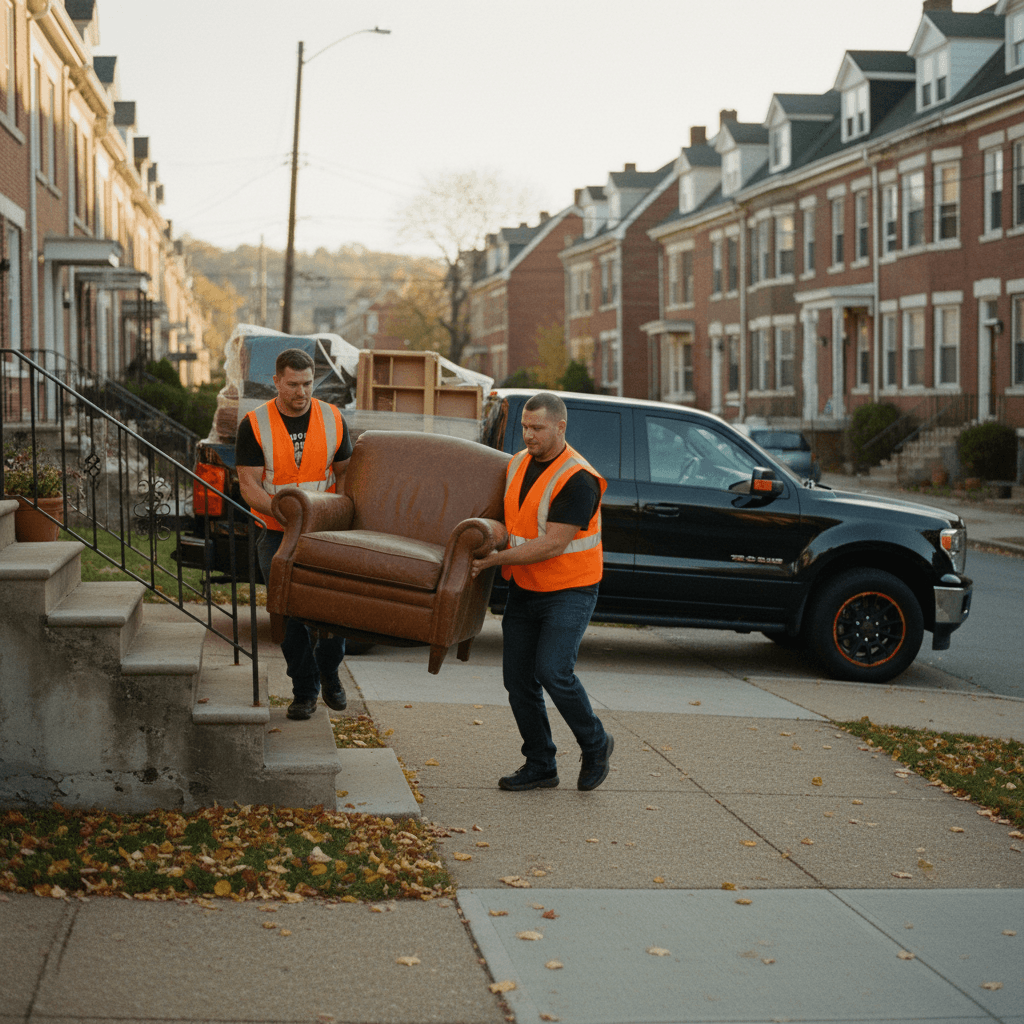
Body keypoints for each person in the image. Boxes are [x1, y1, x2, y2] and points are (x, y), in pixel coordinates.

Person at [471, 392, 614, 792]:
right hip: (527, 587)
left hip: (570, 589)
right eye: (524, 428)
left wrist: (495, 560)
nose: (529, 436)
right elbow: (507, 518)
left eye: (537, 428)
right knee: (518, 680)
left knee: (553, 671)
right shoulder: (516, 463)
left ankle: (596, 743)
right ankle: (540, 764)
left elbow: (553, 543)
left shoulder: (578, 478)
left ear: (560, 427)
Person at [236, 348, 352, 721]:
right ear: (276, 382)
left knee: (335, 610)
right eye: (292, 385)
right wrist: (280, 511)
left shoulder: (333, 418)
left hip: (325, 531)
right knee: (287, 613)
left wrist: (343, 512)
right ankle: (304, 690)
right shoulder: (254, 424)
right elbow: (249, 485)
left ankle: (329, 672)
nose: (301, 392)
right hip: (275, 532)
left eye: (307, 384)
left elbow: (347, 474)